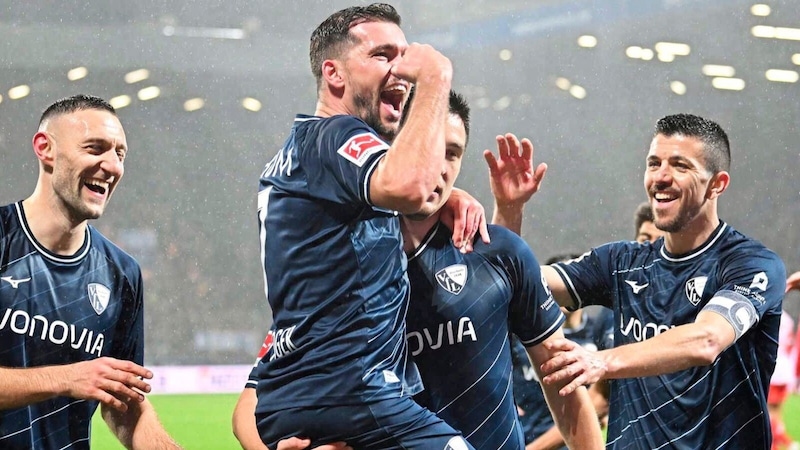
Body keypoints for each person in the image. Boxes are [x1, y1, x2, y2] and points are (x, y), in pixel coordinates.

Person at [236, 91, 603, 450]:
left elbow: (564, 384)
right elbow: (249, 406)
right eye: (428, 148)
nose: (439, 166)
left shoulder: (500, 252)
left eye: (452, 153)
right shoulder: (346, 267)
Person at [252, 4, 486, 449]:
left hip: (306, 392)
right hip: (354, 388)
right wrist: (436, 76)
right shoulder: (335, 133)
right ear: (334, 74)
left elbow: (395, 194)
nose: (403, 69)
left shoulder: (299, 154)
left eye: (405, 55)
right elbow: (407, 185)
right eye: (383, 55)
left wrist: (449, 194)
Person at [523, 113, 787, 448]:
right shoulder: (621, 263)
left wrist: (601, 361)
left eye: (680, 165)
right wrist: (509, 210)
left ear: (717, 184)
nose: (660, 177)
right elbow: (523, 284)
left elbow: (706, 340)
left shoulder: (750, 265)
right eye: (653, 163)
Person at [0, 94, 180, 449]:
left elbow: (122, 403)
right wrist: (67, 378)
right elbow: (83, 378)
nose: (112, 166)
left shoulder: (122, 274)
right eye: (95, 148)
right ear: (45, 148)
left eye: (120, 154)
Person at [510, 254, 613, 450]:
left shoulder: (598, 335)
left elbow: (602, 395)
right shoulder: (522, 335)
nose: (561, 289)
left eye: (570, 282)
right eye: (555, 282)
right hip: (523, 437)